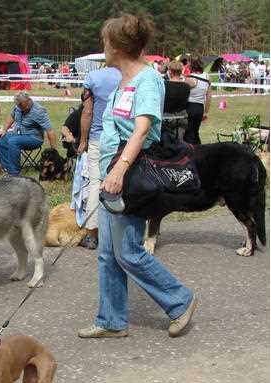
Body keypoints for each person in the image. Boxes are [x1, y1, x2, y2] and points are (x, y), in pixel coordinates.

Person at [77, 14, 196, 339]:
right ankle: (111, 320)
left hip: (129, 176)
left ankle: (179, 300)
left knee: (128, 250)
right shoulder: (124, 80)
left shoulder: (147, 80)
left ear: (116, 46)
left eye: (105, 41)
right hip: (112, 175)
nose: (103, 47)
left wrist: (118, 169)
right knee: (106, 252)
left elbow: (143, 128)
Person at [74, 66, 121, 250]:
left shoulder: (93, 77)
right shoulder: (129, 75)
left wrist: (83, 140)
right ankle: (118, 234)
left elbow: (87, 112)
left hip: (97, 138)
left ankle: (92, 235)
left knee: (95, 184)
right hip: (121, 139)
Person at [0, 92, 57, 175]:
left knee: (13, 141)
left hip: (34, 138)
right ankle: (7, 167)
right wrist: (4, 130)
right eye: (22, 107)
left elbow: (50, 131)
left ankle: (14, 173)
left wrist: (54, 151)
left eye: (26, 106)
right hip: (18, 135)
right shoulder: (17, 107)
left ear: (29, 99)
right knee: (0, 139)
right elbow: (11, 116)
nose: (25, 108)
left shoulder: (39, 111)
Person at [184, 59, 211, 145]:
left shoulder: (189, 77)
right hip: (200, 108)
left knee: (189, 134)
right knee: (195, 132)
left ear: (192, 67)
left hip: (190, 106)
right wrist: (206, 112)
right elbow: (209, 96)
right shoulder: (207, 77)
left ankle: (189, 154)